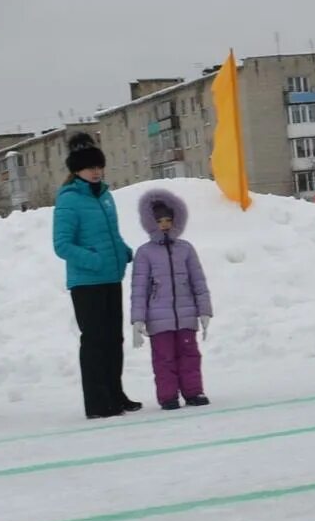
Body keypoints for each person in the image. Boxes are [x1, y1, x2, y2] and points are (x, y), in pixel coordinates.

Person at [52, 134, 139, 419]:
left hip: (111, 278)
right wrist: (96, 260)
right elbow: (62, 245)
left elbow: (110, 234)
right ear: (76, 169)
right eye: (90, 167)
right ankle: (97, 402)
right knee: (95, 341)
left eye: (99, 165)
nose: (96, 171)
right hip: (87, 283)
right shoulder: (69, 200)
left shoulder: (105, 195)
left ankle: (115, 393)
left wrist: (123, 250)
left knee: (114, 339)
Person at [130, 188, 213, 409]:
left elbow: (198, 282)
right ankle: (168, 396)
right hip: (158, 319)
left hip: (185, 316)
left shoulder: (185, 249)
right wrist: (138, 319)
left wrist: (203, 310)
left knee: (189, 355)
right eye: (159, 220)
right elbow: (139, 288)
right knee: (164, 358)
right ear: (151, 222)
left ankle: (194, 392)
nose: (164, 224)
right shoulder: (145, 253)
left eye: (168, 219)